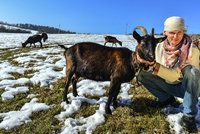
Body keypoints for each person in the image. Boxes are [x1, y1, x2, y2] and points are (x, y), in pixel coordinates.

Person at [136, 16, 200, 133]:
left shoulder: (192, 49)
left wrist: (156, 67)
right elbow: (156, 67)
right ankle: (167, 99)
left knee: (192, 72)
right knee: (142, 75)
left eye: (179, 32)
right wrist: (145, 63)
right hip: (169, 84)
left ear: (184, 32)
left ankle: (189, 116)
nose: (175, 37)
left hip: (188, 89)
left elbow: (176, 75)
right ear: (165, 32)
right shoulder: (159, 47)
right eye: (172, 33)